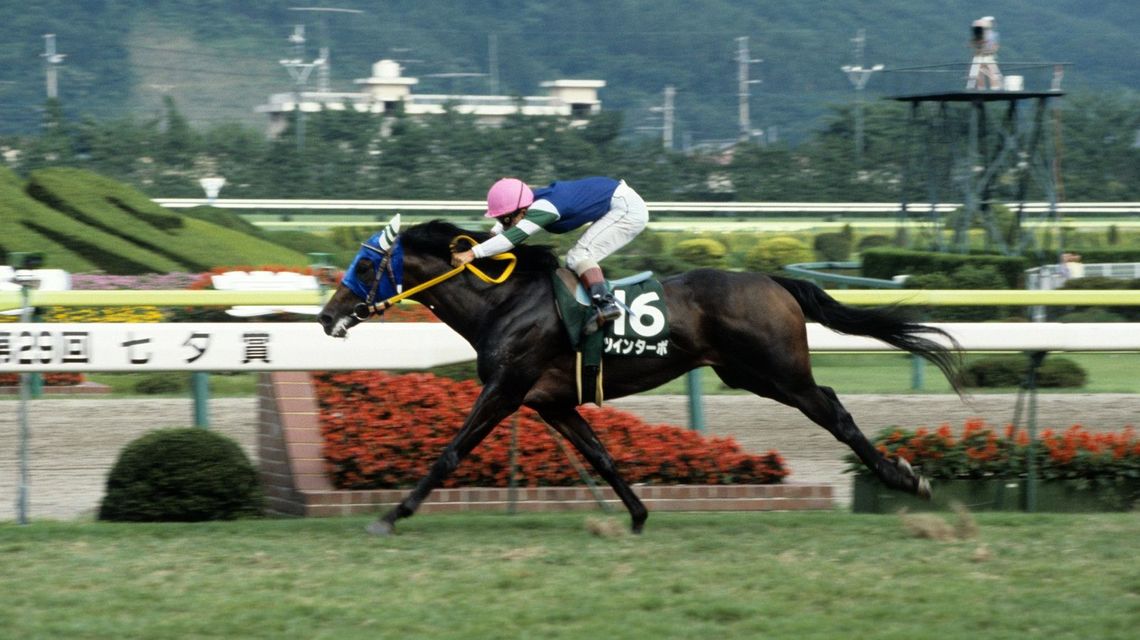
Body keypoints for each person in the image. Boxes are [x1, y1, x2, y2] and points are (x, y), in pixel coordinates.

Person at [450, 176, 649, 327]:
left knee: (579, 256)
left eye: (506, 219)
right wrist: (476, 242)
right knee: (574, 259)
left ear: (523, 211)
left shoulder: (545, 208)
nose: (504, 223)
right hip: (616, 200)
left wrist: (472, 254)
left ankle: (606, 304)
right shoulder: (527, 203)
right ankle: (588, 306)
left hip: (628, 210)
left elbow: (511, 239)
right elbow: (498, 233)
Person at [966, 16, 1002, 90]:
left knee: (992, 72)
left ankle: (994, 88)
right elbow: (973, 44)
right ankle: (981, 88)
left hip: (988, 56)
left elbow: (995, 47)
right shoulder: (980, 33)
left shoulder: (993, 35)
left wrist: (988, 49)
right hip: (980, 56)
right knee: (980, 72)